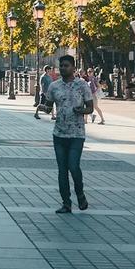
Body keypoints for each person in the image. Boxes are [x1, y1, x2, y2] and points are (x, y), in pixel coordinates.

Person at [42, 55, 94, 213]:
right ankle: (66, 203)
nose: (63, 68)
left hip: (77, 134)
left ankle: (80, 194)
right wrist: (41, 108)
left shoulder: (82, 85)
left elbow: (90, 108)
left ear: (73, 67)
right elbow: (49, 106)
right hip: (59, 134)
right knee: (62, 170)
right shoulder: (54, 86)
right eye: (61, 66)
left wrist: (82, 110)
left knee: (73, 166)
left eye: (66, 66)